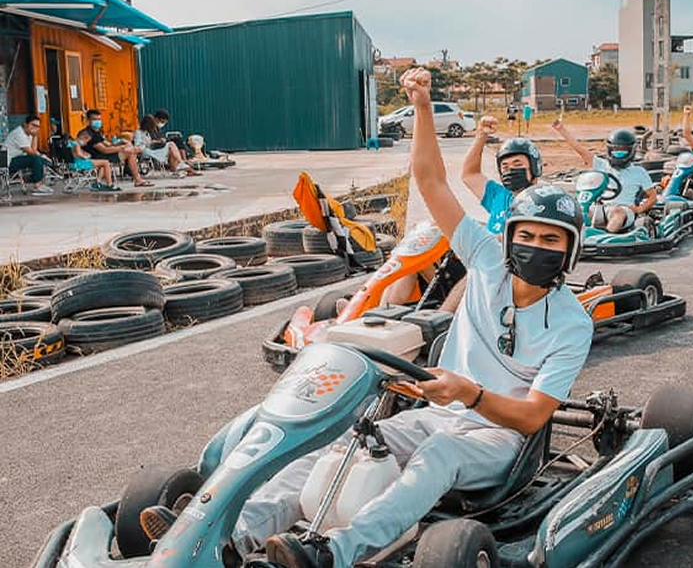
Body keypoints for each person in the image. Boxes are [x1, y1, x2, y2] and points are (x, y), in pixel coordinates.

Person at [137, 67, 594, 568]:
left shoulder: (573, 324)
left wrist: (470, 392)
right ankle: (231, 539)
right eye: (526, 235)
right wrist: (421, 107)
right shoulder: (487, 262)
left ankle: (333, 551)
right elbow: (430, 181)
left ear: (570, 250)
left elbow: (532, 416)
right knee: (343, 439)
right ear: (510, 238)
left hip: (499, 440)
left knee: (437, 457)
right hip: (437, 414)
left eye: (551, 239)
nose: (535, 246)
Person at [461, 114, 594, 235]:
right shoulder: (498, 196)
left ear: (534, 167)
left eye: (517, 164)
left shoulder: (549, 201)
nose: (510, 170)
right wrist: (481, 136)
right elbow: (469, 175)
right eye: (505, 167)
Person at [573, 125, 657, 232]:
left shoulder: (639, 172)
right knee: (581, 210)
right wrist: (560, 129)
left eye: (623, 149)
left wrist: (639, 209)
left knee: (617, 212)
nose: (618, 152)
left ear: (631, 150)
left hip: (624, 210)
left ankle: (606, 236)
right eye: (615, 149)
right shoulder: (602, 165)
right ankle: (578, 234)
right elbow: (580, 151)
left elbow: (653, 197)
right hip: (601, 207)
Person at [77, 109, 152, 187]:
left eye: (99, 119)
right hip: (99, 157)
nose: (97, 121)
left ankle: (137, 178)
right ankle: (137, 179)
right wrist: (122, 148)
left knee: (131, 150)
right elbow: (105, 150)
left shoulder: (96, 132)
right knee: (131, 152)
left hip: (103, 155)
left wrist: (120, 142)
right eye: (94, 119)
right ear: (88, 120)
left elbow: (108, 144)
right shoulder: (88, 134)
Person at [134, 113, 198, 177]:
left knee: (171, 146)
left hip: (151, 149)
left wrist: (157, 141)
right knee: (171, 145)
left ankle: (177, 168)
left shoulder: (146, 132)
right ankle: (181, 164)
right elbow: (138, 145)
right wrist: (151, 143)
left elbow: (150, 141)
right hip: (145, 151)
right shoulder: (138, 132)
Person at [3, 115, 53, 196]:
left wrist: (35, 136)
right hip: (7, 161)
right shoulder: (19, 133)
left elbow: (34, 150)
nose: (35, 128)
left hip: (16, 159)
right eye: (33, 125)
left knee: (41, 160)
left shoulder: (29, 134)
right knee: (36, 159)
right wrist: (41, 157)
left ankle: (33, 180)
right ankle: (37, 185)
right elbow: (31, 152)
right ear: (25, 124)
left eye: (38, 126)